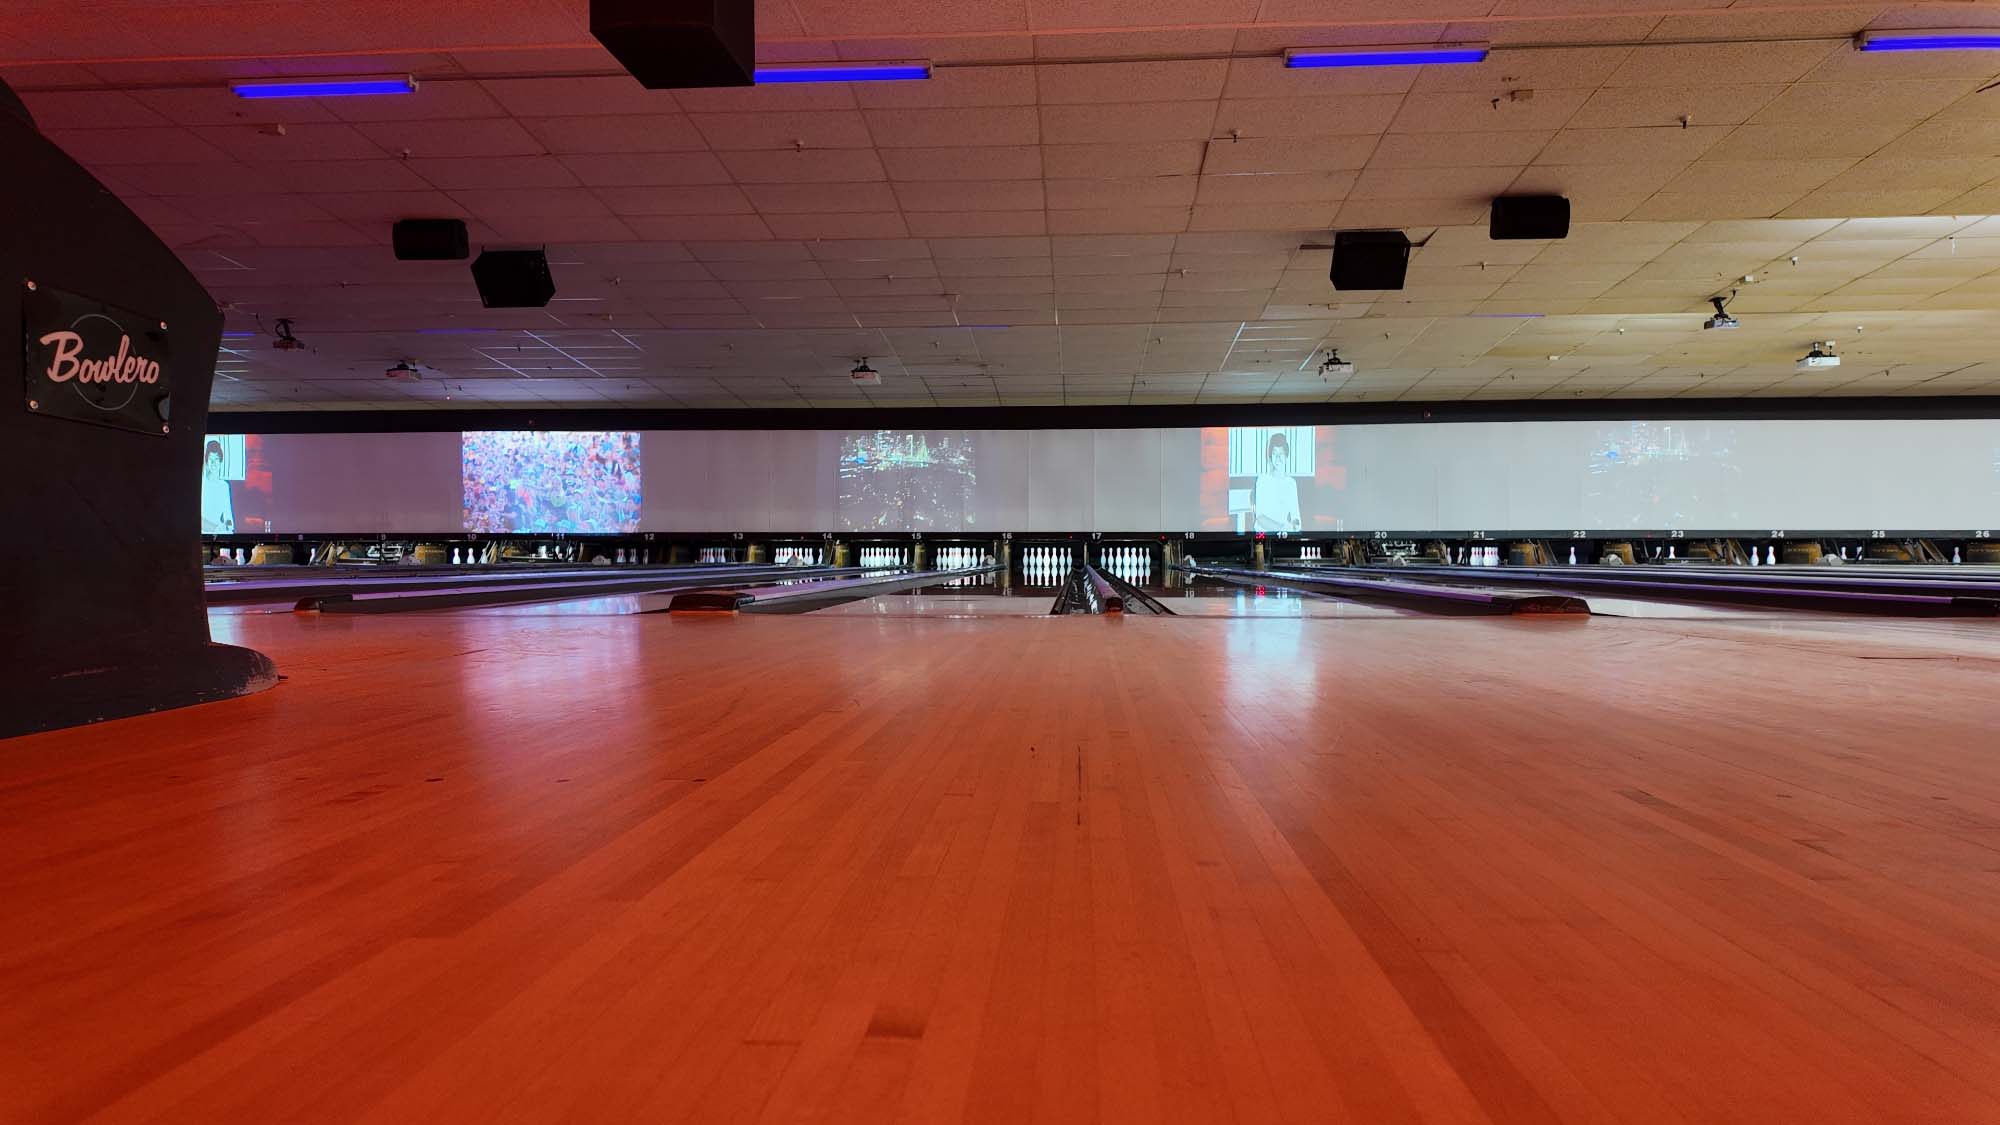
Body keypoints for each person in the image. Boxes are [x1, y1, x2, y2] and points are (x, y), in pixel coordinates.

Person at [1250, 432, 1302, 533]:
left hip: (1282, 534)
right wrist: (1283, 528)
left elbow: (1296, 516)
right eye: (1274, 453)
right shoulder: (1262, 480)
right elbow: (1260, 517)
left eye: (1281, 453)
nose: (1278, 458)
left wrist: (1295, 525)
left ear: (1286, 456)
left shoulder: (1291, 483)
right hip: (1262, 534)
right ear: (1270, 456)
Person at [200, 439, 235, 534]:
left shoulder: (224, 486)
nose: (213, 463)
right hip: (203, 533)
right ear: (206, 462)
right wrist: (216, 528)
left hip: (219, 532)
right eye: (210, 459)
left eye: (216, 459)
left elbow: (228, 516)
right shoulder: (203, 483)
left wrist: (227, 526)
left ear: (220, 461)